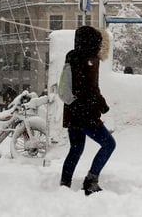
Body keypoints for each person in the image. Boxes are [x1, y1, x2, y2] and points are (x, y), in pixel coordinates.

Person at [60, 26, 115, 195]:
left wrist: (77, 103)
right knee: (109, 144)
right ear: (93, 42)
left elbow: (68, 86)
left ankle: (64, 184)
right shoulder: (90, 59)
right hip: (86, 113)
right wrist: (102, 104)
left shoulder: (71, 57)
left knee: (76, 149)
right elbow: (92, 88)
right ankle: (91, 180)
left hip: (73, 111)